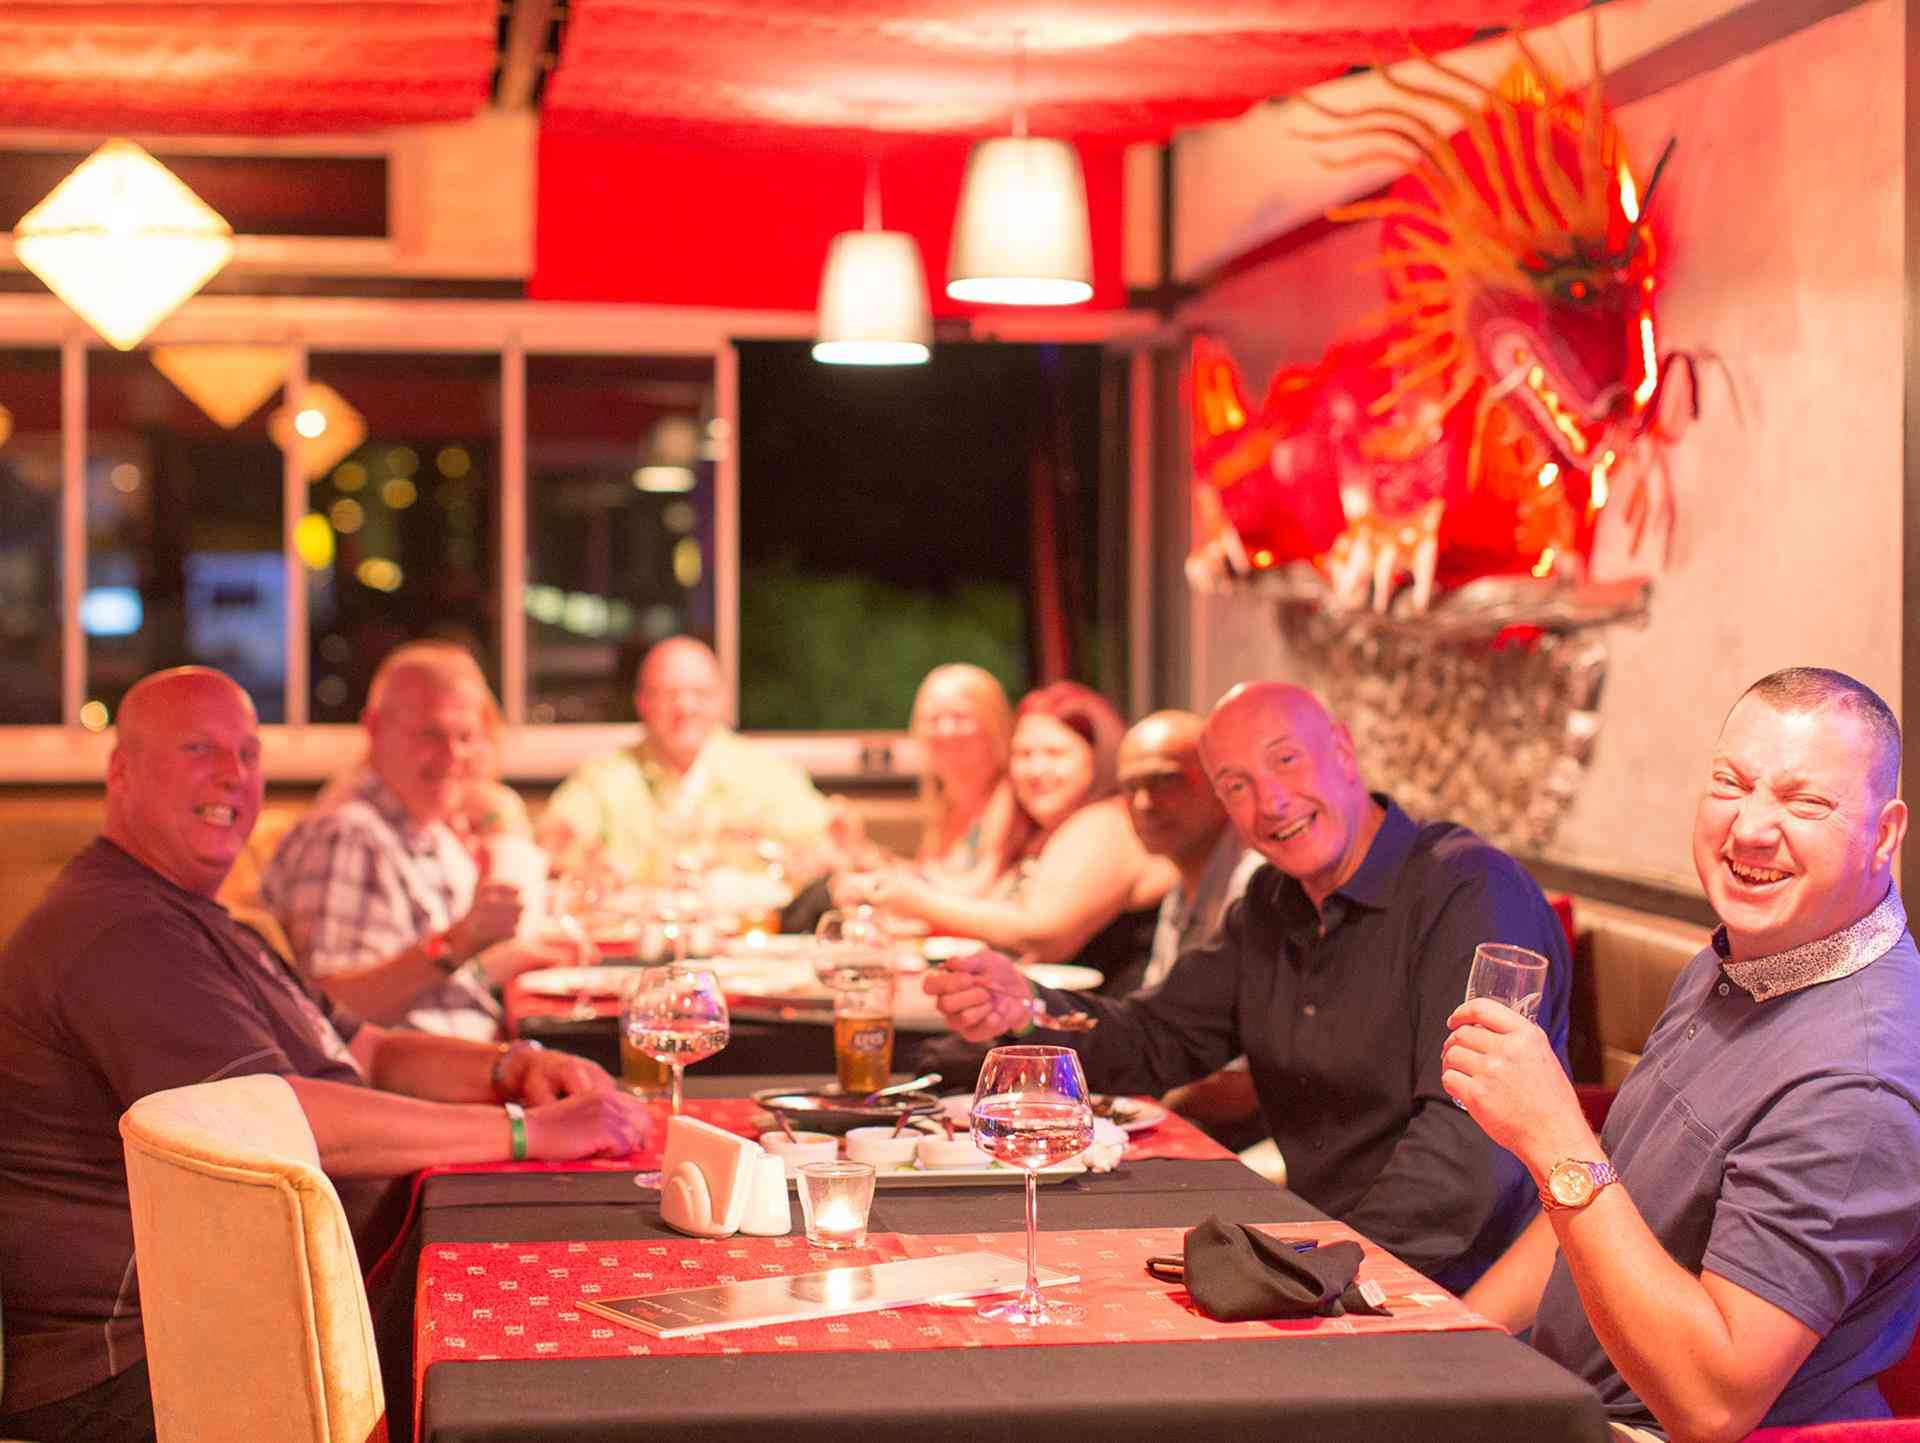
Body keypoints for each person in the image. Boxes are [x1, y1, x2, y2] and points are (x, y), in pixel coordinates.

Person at [0, 667, 650, 1442]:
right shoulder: (120, 932)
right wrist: (526, 1131)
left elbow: (369, 1049)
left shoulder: (202, 919)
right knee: (570, 1369)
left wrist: (511, 1066)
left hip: (254, 1319)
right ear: (121, 771)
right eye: (199, 748)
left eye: (248, 752)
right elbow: (280, 1121)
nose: (233, 774)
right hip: (150, 1372)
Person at [926, 680, 1572, 1292]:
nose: (1271, 802)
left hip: (1459, 1284)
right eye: (1237, 785)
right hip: (1324, 1252)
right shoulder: (1272, 901)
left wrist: (1321, 1272)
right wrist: (1026, 1005)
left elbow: (1468, 1151)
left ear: (1343, 751)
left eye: (1286, 760)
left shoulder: (1471, 889)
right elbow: (1157, 1036)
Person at [1447, 668, 1920, 1441]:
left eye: (1805, 802)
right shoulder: (1742, 955)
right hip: (1564, 1396)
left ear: (1886, 834)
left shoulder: (1857, 1083)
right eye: (1731, 783)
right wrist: (1452, 1340)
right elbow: (1600, 1198)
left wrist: (1554, 1135)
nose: (1751, 828)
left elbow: (1711, 1405)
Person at [263, 642, 583, 1040]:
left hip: (475, 1052)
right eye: (430, 734)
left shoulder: (425, 829)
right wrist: (458, 942)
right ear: (374, 729)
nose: (452, 755)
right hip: (431, 1075)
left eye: (466, 736)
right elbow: (326, 1010)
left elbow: (448, 980)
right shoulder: (349, 835)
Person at [872, 681, 1174, 969]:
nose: (1036, 770)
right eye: (1024, 754)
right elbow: (993, 904)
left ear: (1097, 757)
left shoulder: (1105, 822)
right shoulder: (1049, 828)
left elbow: (1041, 934)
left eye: (1055, 754)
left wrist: (919, 901)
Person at [537, 635, 832, 882]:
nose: (685, 708)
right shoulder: (604, 776)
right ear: (642, 702)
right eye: (668, 694)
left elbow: (827, 846)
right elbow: (552, 845)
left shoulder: (766, 773)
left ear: (722, 699)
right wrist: (579, 865)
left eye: (700, 694)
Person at [1114, 710, 1265, 1145]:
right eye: (1130, 787)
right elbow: (1155, 1027)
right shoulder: (1182, 882)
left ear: (1225, 784)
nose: (1144, 803)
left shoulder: (1257, 884)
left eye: (1166, 780)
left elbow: (1250, 1082)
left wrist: (1138, 1108)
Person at [907, 663, 1019, 895]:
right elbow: (925, 880)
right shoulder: (945, 801)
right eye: (933, 719)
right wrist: (860, 855)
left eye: (960, 717)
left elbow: (983, 894)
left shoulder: (1011, 798)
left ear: (994, 722)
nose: (946, 731)